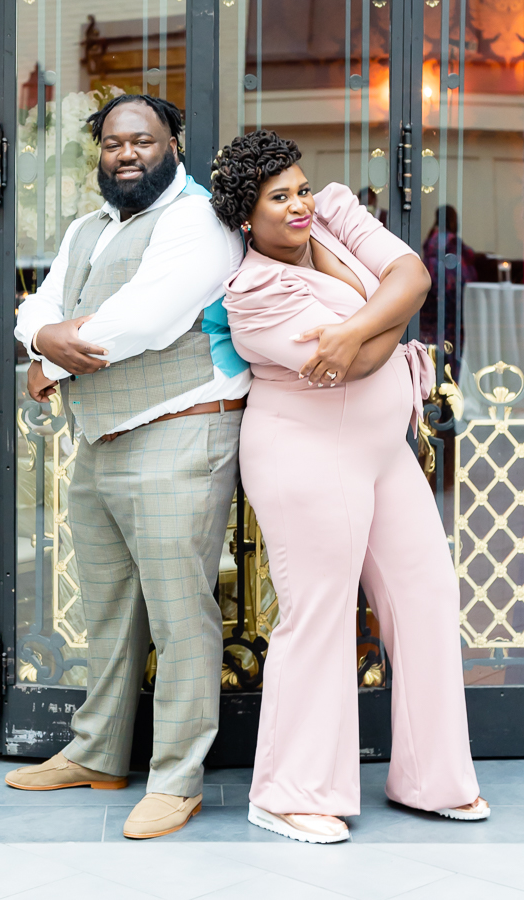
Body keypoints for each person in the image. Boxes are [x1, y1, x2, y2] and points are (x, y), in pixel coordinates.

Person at [211, 131, 489, 844]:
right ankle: (288, 791)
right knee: (321, 613)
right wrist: (381, 323)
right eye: (279, 198)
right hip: (305, 454)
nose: (301, 204)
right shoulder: (251, 294)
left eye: (300, 188)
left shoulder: (335, 208)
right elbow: (358, 363)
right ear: (247, 217)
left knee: (426, 596)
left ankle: (432, 778)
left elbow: (415, 279)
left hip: (382, 450)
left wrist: (362, 325)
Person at [7, 95, 251, 839]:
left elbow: (145, 321)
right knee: (108, 611)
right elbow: (32, 306)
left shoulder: (198, 220)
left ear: (174, 140)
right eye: (113, 143)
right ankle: (98, 753)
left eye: (142, 140)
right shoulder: (88, 227)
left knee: (181, 619)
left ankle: (176, 779)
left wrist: (47, 350)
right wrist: (41, 335)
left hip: (181, 432)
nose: (126, 154)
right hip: (103, 437)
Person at [420, 204, 477, 349]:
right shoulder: (453, 244)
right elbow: (468, 261)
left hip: (432, 304)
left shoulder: (431, 241)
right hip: (451, 303)